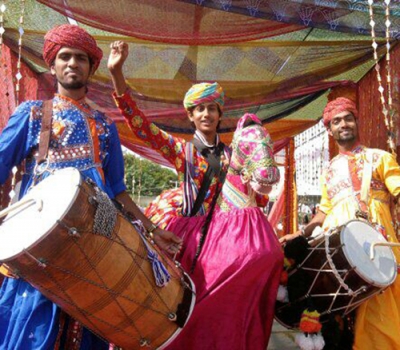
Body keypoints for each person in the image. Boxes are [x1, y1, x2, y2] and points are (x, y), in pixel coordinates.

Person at [0, 24, 181, 350]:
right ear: (53, 65)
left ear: (90, 67)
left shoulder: (105, 124)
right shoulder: (31, 114)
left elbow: (117, 190)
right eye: (65, 57)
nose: (72, 64)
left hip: (98, 246)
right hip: (42, 245)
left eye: (80, 58)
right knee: (33, 329)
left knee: (93, 327)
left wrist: (152, 230)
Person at [108, 41, 283, 350]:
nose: (206, 113)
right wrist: (117, 73)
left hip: (228, 237)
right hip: (188, 237)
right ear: (190, 116)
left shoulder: (235, 155)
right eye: (199, 108)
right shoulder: (182, 150)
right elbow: (141, 126)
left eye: (212, 108)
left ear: (219, 113)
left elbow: (253, 195)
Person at [280, 96, 400, 349]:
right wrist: (301, 232)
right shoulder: (329, 169)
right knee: (338, 310)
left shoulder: (380, 158)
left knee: (378, 308)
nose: (343, 124)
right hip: (336, 248)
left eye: (348, 118)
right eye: (336, 121)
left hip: (374, 243)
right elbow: (324, 210)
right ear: (330, 129)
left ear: (357, 122)